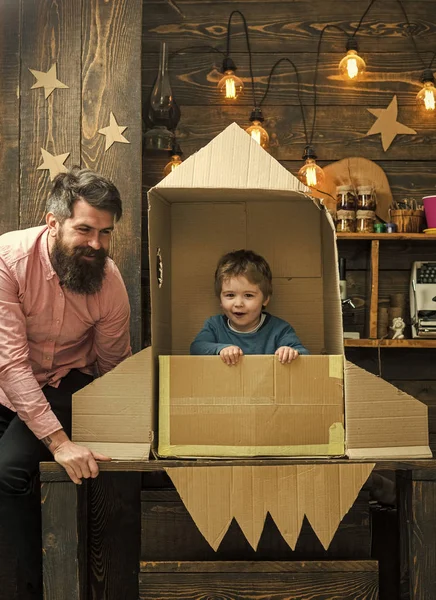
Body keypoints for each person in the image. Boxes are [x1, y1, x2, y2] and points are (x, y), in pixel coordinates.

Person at [0, 167, 132, 598]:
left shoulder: (109, 282)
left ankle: (29, 591)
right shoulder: (8, 260)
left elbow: (114, 364)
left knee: (9, 470)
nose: (97, 245)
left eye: (106, 233)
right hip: (7, 380)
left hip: (65, 386)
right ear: (52, 222)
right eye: (85, 230)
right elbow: (12, 365)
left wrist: (128, 432)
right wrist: (60, 444)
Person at [190, 249, 309, 364]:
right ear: (220, 299)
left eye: (248, 295)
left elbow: (305, 355)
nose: (238, 304)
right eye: (230, 295)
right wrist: (220, 349)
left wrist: (290, 352)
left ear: (265, 299)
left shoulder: (279, 330)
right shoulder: (215, 326)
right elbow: (196, 347)